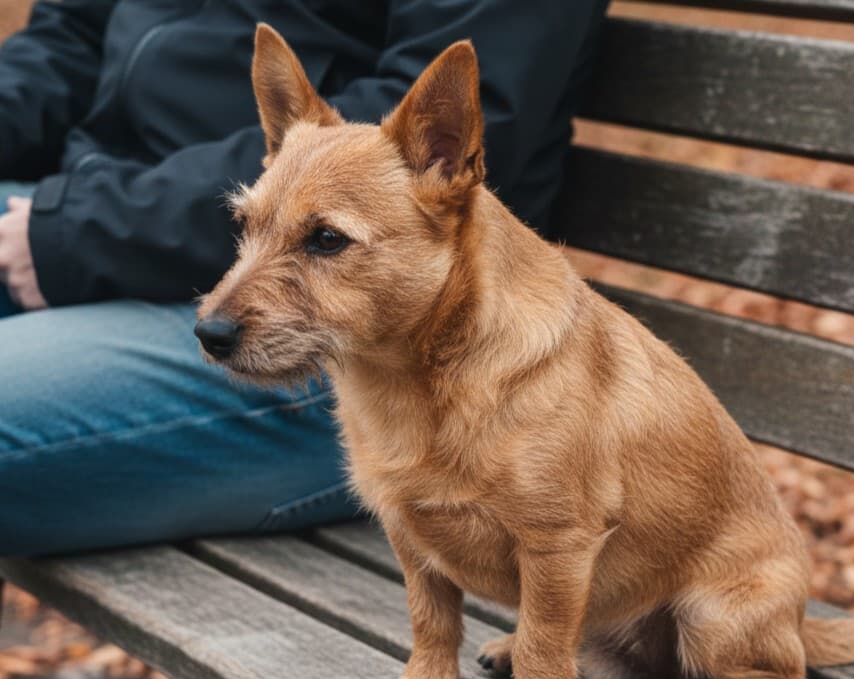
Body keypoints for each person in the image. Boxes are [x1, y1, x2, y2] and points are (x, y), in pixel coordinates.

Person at [0, 0, 607, 556]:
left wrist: (86, 231)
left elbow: (416, 124)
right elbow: (72, 33)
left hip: (380, 358)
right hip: (98, 212)